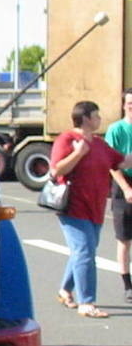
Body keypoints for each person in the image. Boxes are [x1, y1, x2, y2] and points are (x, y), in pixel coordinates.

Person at [51, 100, 132, 318]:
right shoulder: (67, 139)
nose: (99, 119)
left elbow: (121, 162)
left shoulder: (99, 143)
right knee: (85, 252)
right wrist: (77, 154)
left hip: (95, 209)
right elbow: (56, 170)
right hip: (73, 208)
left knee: (84, 251)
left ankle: (65, 290)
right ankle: (87, 302)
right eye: (96, 116)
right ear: (86, 118)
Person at [104, 88, 132, 302]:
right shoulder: (116, 130)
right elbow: (111, 164)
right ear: (124, 105)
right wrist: (126, 188)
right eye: (130, 103)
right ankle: (127, 285)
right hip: (124, 184)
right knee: (124, 239)